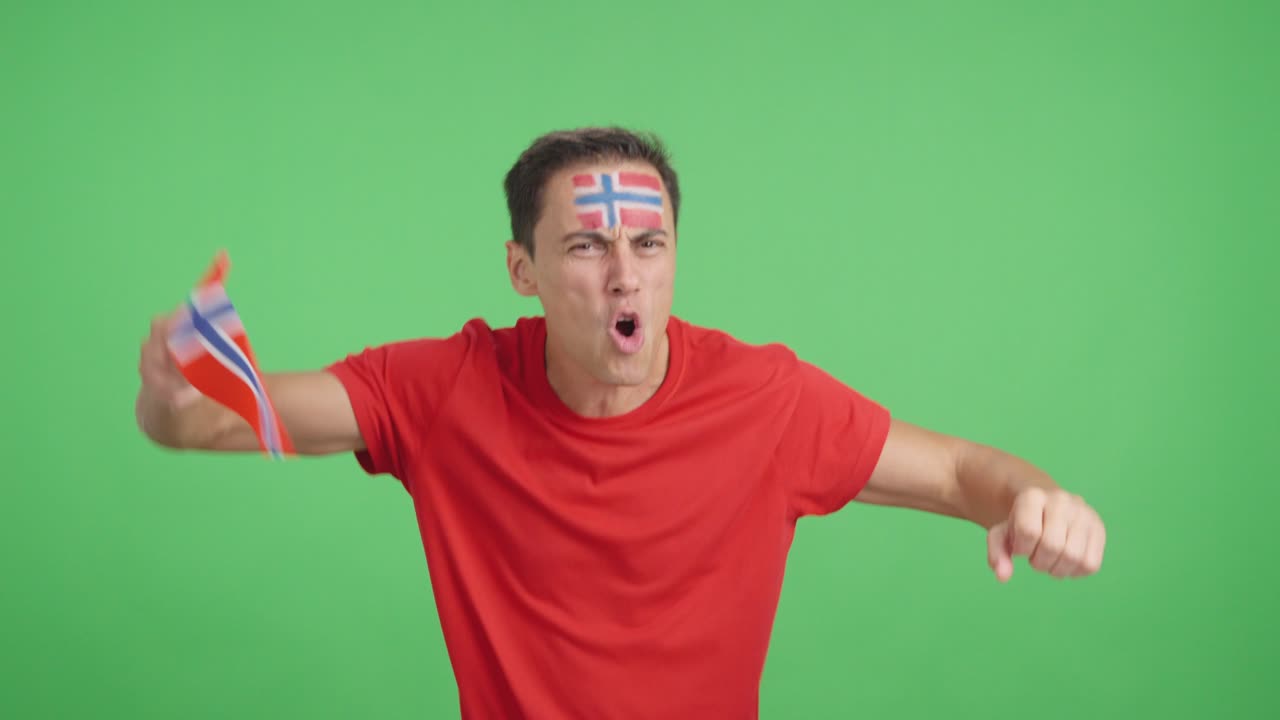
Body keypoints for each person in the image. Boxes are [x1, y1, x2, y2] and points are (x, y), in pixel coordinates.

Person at [136, 127, 1107, 718]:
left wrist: (1035, 498)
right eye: (586, 246)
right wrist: (172, 390)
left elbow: (957, 474)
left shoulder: (762, 400)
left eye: (648, 242)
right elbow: (212, 423)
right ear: (521, 270)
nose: (624, 274)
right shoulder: (442, 388)